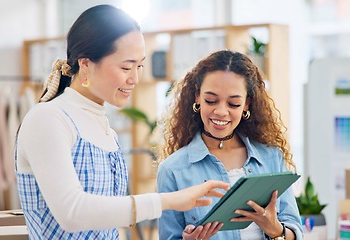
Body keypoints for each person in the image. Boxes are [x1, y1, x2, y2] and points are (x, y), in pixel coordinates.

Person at [15, 5, 230, 239]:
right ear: (85, 63)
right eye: (126, 67)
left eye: (139, 66)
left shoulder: (107, 131)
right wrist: (168, 201)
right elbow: (72, 213)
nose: (135, 78)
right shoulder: (48, 119)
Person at [157, 50, 303, 240]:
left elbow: (296, 231)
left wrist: (276, 230)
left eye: (233, 104)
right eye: (211, 100)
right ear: (197, 97)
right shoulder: (172, 170)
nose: (221, 111)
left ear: (247, 105)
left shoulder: (270, 157)